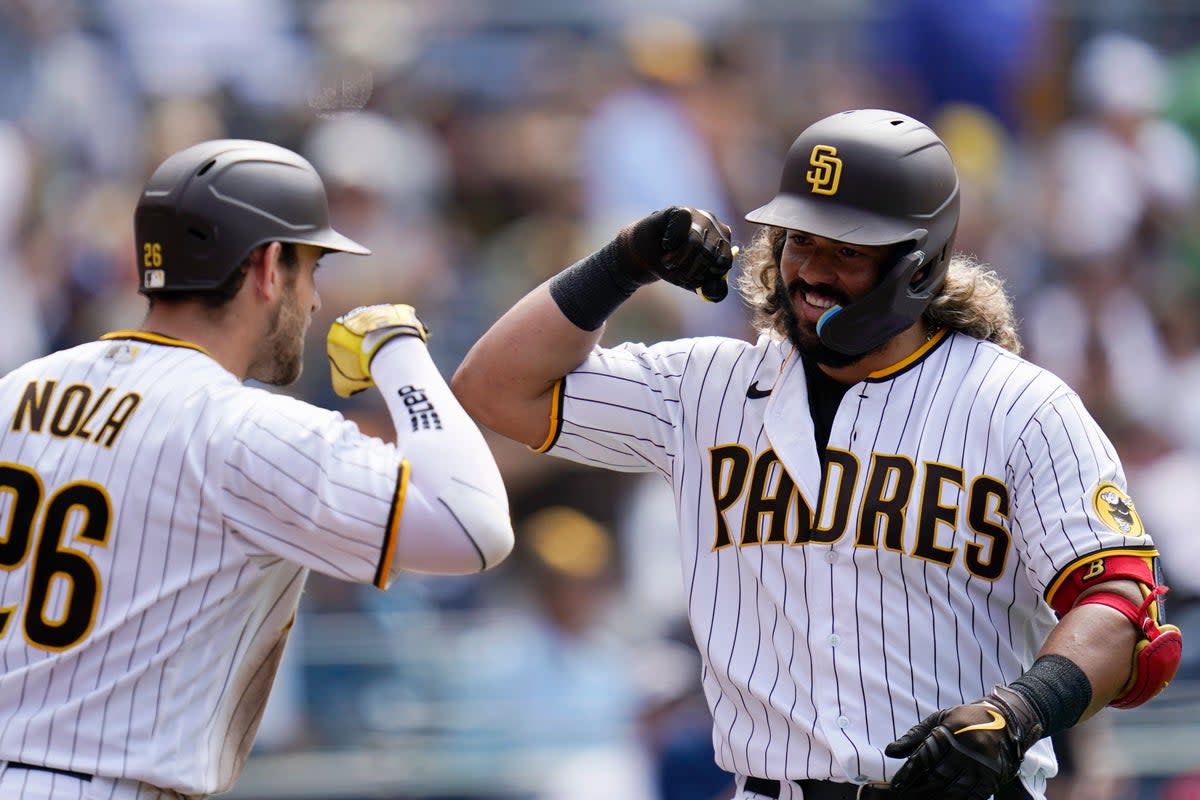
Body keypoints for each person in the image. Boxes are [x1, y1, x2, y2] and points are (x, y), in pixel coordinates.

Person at [452, 109, 1182, 800]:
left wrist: (1019, 712)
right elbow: (495, 388)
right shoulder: (706, 384)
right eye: (800, 240)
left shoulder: (1020, 406)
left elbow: (1122, 607)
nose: (812, 272)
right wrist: (624, 261)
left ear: (918, 265)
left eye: (846, 251)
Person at [0, 139, 514, 799]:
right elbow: (473, 527)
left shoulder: (20, 388)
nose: (317, 300)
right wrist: (399, 354)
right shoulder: (239, 427)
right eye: (313, 269)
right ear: (269, 266)